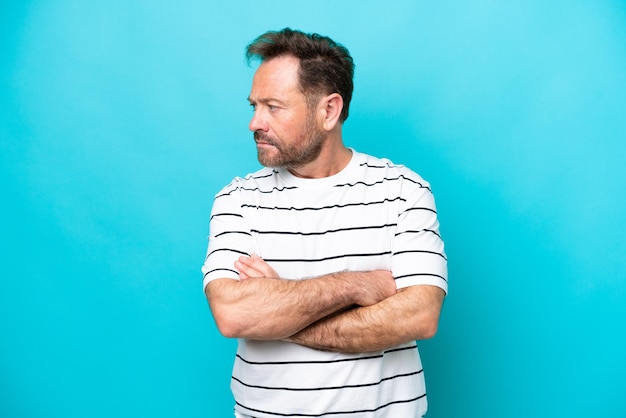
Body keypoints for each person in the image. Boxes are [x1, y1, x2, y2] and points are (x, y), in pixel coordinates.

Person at [201, 28, 448, 418]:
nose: (255, 123)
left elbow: (420, 315)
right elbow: (233, 314)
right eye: (254, 106)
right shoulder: (238, 199)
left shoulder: (402, 191)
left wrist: (279, 309)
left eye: (273, 107)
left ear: (329, 111)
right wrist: (358, 284)